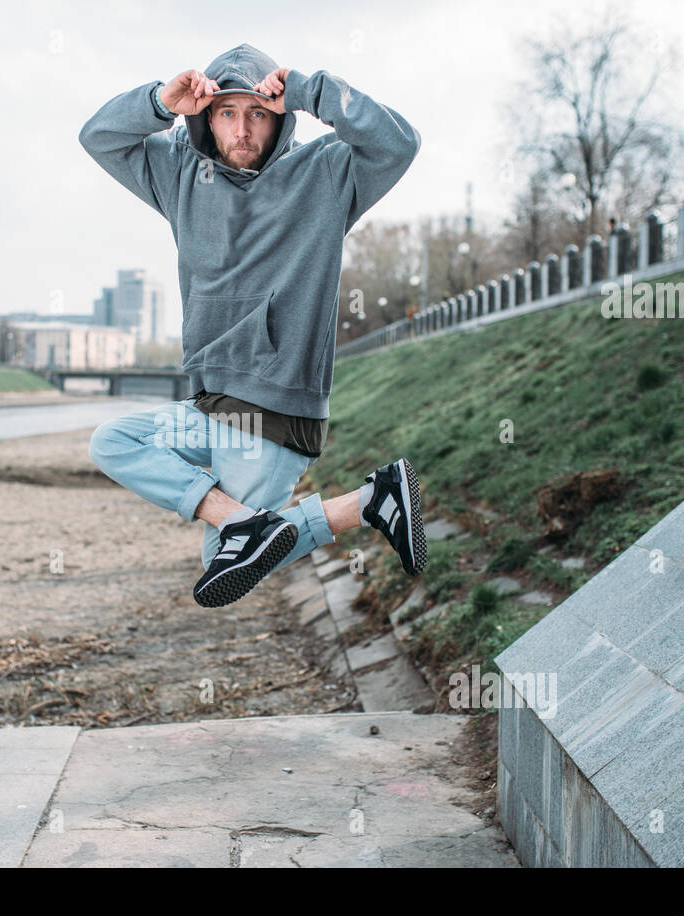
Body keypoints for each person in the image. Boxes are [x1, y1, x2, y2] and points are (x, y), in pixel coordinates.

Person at [79, 42, 426, 608]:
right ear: (207, 119)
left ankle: (364, 504)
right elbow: (99, 137)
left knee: (216, 560)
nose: (242, 130)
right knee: (113, 441)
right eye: (227, 113)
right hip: (210, 404)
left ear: (280, 116)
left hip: (272, 408)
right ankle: (359, 503)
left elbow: (399, 142)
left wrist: (313, 89)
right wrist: (159, 103)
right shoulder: (179, 172)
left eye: (257, 114)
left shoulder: (328, 173)